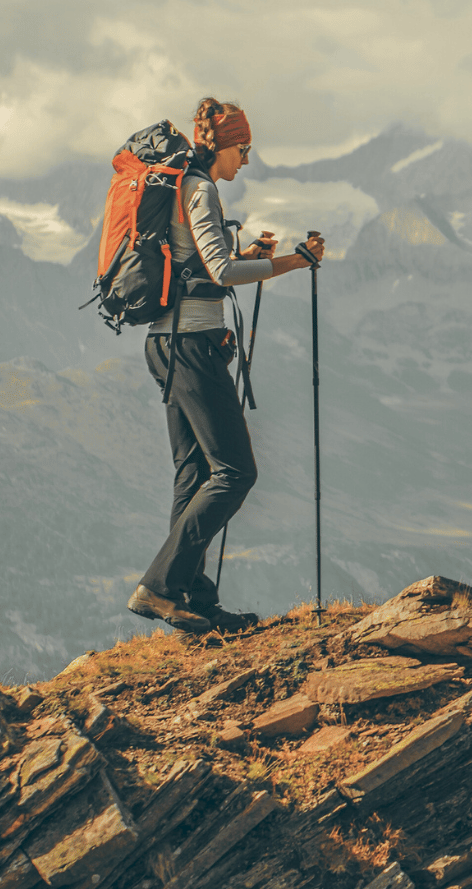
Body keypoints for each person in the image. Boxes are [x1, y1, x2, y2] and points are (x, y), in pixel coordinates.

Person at [127, 97, 326, 634]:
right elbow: (218, 272)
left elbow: (204, 258)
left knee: (193, 475)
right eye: (245, 149)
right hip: (191, 346)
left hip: (167, 345)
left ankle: (194, 600)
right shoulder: (202, 188)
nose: (246, 160)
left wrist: (251, 250)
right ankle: (160, 587)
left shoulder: (187, 185)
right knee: (236, 471)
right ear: (227, 145)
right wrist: (294, 261)